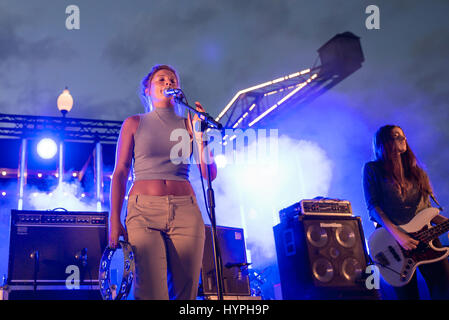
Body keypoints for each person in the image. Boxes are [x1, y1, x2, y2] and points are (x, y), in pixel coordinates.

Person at [108, 64, 217, 300]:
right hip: (143, 212)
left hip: (186, 212)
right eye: (161, 79)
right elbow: (120, 172)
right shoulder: (134, 123)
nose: (168, 82)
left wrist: (201, 137)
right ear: (147, 89)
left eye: (172, 80)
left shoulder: (189, 122)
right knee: (150, 292)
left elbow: (209, 174)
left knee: (185, 292)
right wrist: (114, 218)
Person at [363, 124, 449, 299]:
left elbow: (427, 211)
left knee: (444, 287)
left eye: (403, 135)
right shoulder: (373, 169)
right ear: (384, 142)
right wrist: (399, 236)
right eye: (396, 136)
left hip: (426, 239)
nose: (404, 139)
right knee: (408, 296)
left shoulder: (418, 172)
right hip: (391, 240)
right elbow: (373, 207)